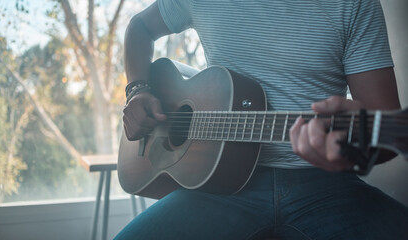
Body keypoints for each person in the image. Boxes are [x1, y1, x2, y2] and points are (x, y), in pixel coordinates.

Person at [116, 0, 408, 239]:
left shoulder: (355, 3)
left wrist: (353, 151)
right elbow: (140, 27)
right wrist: (138, 91)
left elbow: (386, 133)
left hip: (329, 186)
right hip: (219, 186)